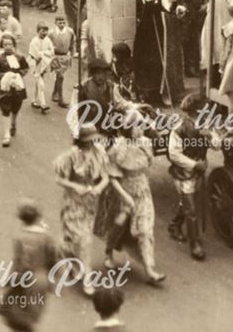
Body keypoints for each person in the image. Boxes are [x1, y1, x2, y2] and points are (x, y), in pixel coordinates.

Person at [96, 120, 166, 285]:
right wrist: (125, 196)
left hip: (142, 191)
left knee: (145, 228)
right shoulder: (118, 148)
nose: (141, 129)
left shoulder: (146, 143)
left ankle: (149, 269)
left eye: (141, 126)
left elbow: (147, 162)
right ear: (128, 130)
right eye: (137, 126)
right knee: (117, 226)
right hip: (122, 192)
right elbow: (112, 176)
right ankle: (108, 253)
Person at [54, 124, 110, 296]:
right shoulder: (71, 155)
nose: (92, 142)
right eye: (88, 140)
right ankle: (87, 279)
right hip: (72, 203)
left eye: (94, 139)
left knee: (82, 239)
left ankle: (67, 254)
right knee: (82, 240)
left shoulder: (99, 152)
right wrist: (75, 186)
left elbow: (106, 177)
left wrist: (99, 187)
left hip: (90, 203)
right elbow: (59, 179)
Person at [134, 0, 187, 107]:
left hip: (169, 29)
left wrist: (178, 8)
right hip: (152, 30)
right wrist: (168, 1)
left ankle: (170, 92)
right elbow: (151, 8)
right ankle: (154, 94)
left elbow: (171, 7)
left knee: (170, 59)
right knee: (156, 60)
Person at [0, 200, 59, 332]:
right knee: (30, 317)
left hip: (25, 281)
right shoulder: (46, 236)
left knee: (17, 316)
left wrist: (8, 281)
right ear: (37, 217)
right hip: (41, 280)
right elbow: (54, 259)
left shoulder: (20, 237)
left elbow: (20, 265)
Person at [167, 95, 213, 261]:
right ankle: (195, 244)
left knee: (188, 203)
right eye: (206, 109)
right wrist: (194, 165)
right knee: (192, 209)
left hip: (198, 172)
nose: (208, 112)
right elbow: (173, 154)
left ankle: (174, 225)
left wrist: (210, 137)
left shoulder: (206, 125)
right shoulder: (179, 129)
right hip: (183, 173)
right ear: (197, 110)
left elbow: (217, 144)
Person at [0, 34, 30, 148]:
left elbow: (25, 68)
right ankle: (6, 134)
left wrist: (19, 75)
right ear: (2, 46)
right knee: (5, 109)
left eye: (10, 44)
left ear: (14, 45)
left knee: (15, 107)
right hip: (5, 88)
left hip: (17, 88)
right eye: (5, 44)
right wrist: (5, 76)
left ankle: (13, 122)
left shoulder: (20, 58)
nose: (8, 47)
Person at [48, 15, 76, 107]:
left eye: (63, 22)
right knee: (60, 77)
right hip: (55, 57)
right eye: (60, 22)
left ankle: (54, 93)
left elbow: (72, 43)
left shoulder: (70, 32)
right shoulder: (51, 33)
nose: (62, 24)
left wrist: (72, 54)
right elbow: (47, 44)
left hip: (65, 57)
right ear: (55, 23)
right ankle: (61, 99)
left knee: (59, 77)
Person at [27, 22, 53, 113]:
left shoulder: (48, 40)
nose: (45, 33)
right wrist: (44, 53)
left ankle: (33, 100)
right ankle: (43, 104)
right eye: (42, 31)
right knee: (41, 83)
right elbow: (37, 55)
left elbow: (51, 51)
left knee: (38, 82)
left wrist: (44, 53)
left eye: (46, 31)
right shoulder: (34, 41)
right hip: (35, 63)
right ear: (38, 31)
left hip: (44, 63)